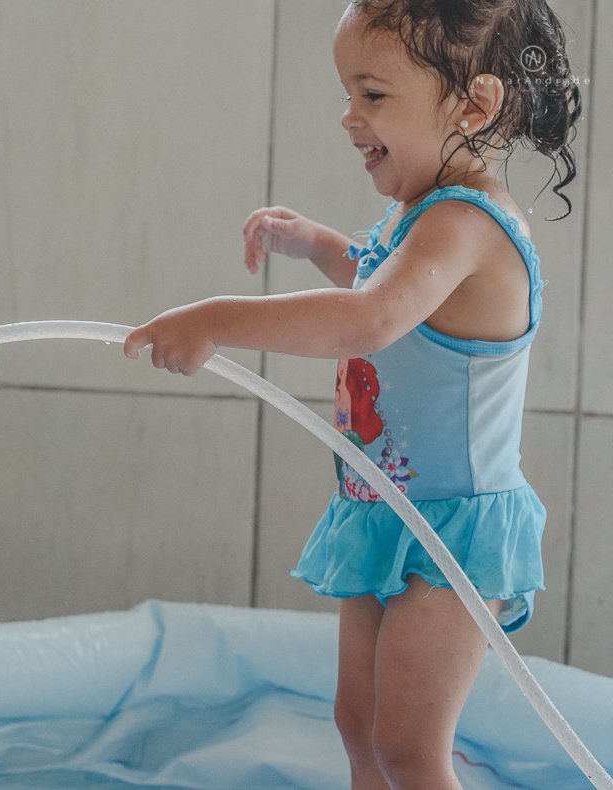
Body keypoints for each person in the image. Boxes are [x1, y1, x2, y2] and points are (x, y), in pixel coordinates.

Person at [124, 2, 580, 788]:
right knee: (357, 724)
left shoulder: (466, 224)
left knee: (406, 741)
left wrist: (215, 320)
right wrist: (317, 243)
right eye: (347, 93)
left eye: (372, 95)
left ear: (476, 104)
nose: (348, 117)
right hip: (386, 514)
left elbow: (371, 318)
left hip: (453, 533)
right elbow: (381, 284)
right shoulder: (423, 214)